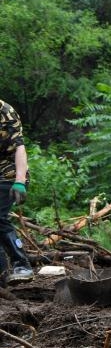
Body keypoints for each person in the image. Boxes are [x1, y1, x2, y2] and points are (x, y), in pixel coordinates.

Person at [0, 100, 33, 283]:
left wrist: (19, 181)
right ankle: (3, 273)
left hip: (10, 173)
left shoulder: (6, 112)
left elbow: (19, 147)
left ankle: (21, 264)